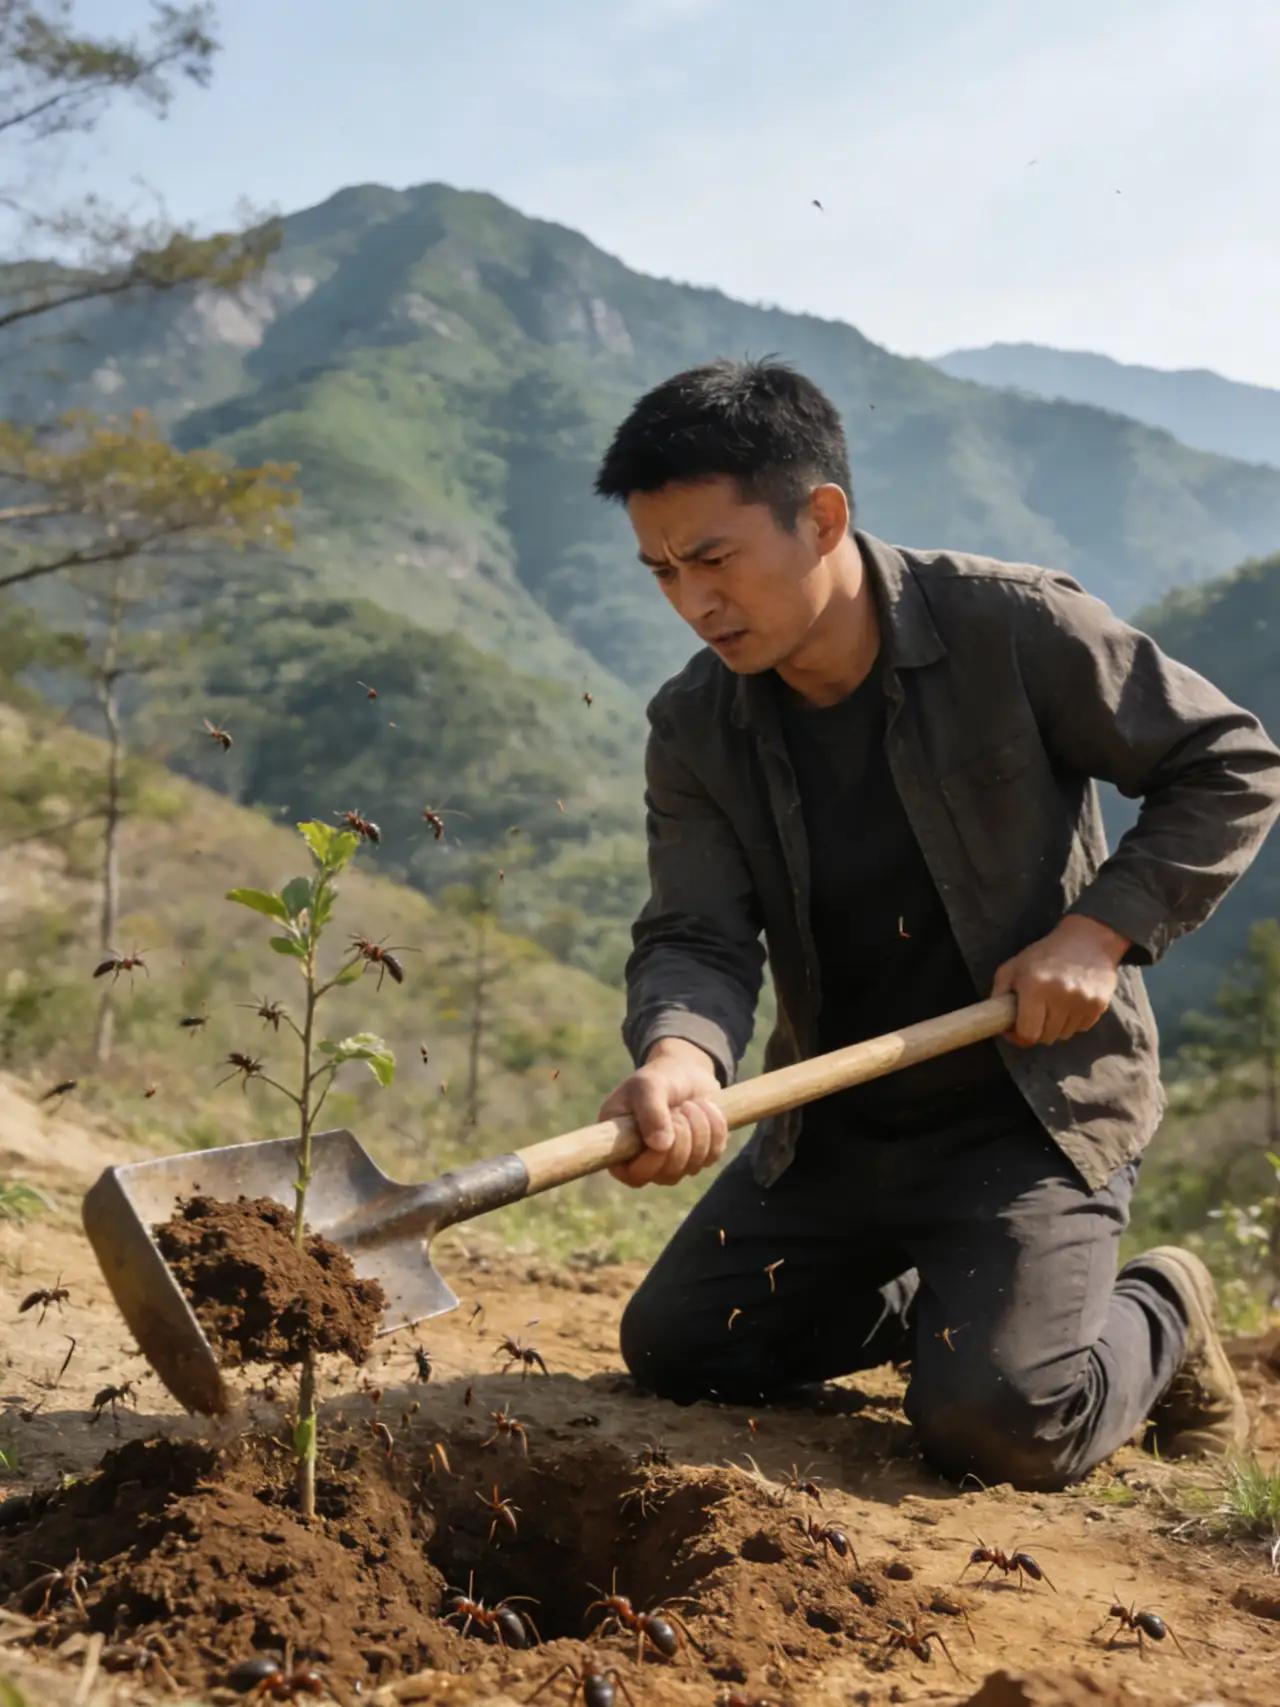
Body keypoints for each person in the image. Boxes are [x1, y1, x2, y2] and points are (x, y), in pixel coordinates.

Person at [590, 357, 1280, 1491]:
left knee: (1001, 1424)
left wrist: (1096, 933)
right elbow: (697, 934)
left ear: (820, 518)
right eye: (661, 570)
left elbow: (1228, 763)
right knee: (682, 1350)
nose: (692, 601)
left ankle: (1156, 1306)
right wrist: (677, 1055)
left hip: (1026, 1117)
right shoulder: (695, 725)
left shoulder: (1014, 629)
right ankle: (968, 1303)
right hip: (831, 1120)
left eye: (713, 558)